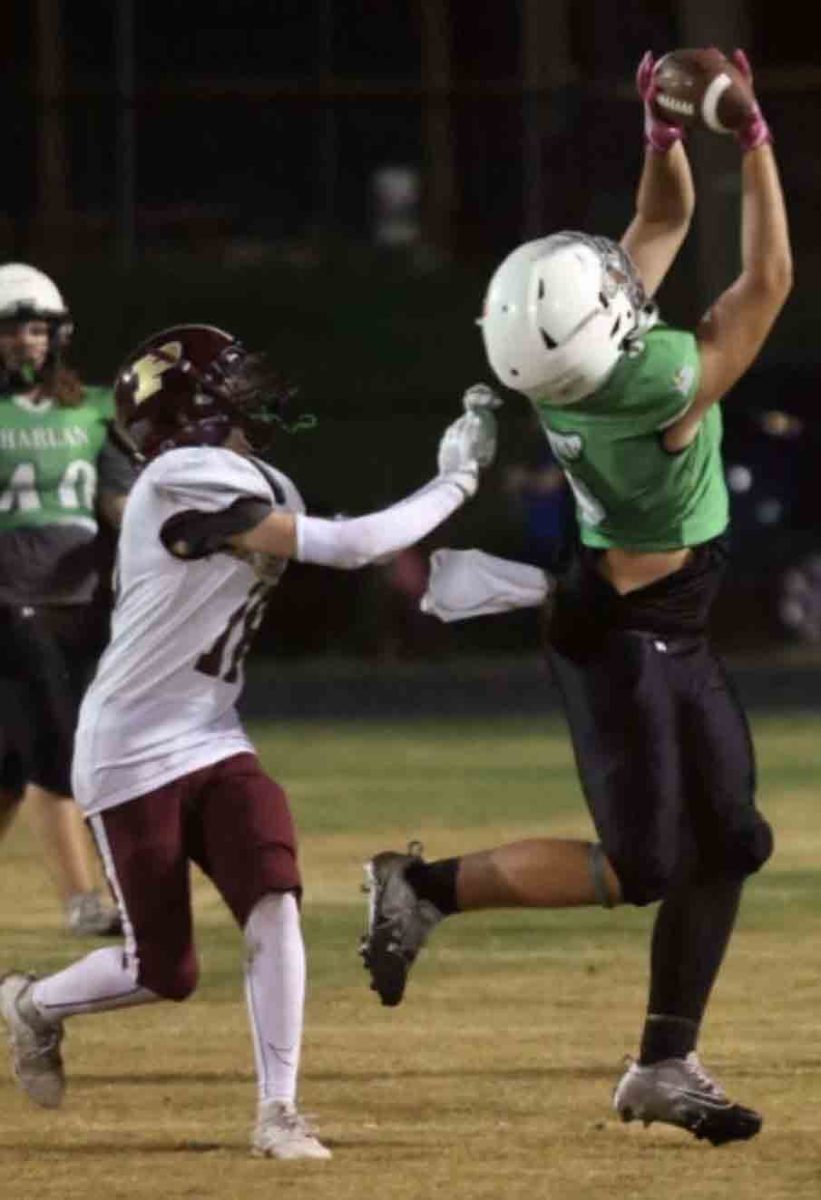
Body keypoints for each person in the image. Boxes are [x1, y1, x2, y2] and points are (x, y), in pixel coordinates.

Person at [360, 49, 792, 1146]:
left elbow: (654, 228)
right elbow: (765, 284)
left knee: (729, 839)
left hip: (657, 614)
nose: (619, 277)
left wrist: (662, 136)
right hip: (624, 632)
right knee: (646, 864)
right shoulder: (648, 383)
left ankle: (662, 1063)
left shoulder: (566, 363)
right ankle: (423, 889)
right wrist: (752, 143)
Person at [0, 324, 500, 1160]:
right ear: (192, 409)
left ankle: (278, 1111)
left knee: (274, 893)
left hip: (210, 732)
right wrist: (458, 477)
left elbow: (330, 554)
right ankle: (33, 1005)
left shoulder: (250, 476)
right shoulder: (177, 478)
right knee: (165, 972)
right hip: (129, 748)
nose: (252, 393)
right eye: (231, 382)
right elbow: (348, 546)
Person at [0, 263, 133, 937]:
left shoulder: (92, 408)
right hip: (7, 601)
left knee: (9, 765)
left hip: (77, 606)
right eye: (9, 331)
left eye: (34, 328)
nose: (23, 342)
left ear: (57, 336)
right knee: (56, 748)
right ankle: (84, 902)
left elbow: (119, 501)